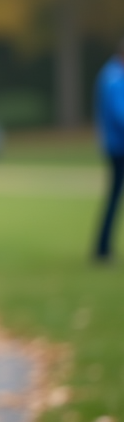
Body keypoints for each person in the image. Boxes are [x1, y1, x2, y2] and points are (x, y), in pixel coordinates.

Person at [93, 37, 124, 262]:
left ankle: (102, 248)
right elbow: (119, 113)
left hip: (116, 145)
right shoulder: (113, 77)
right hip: (118, 147)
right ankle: (102, 249)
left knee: (114, 197)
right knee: (114, 198)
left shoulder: (113, 74)